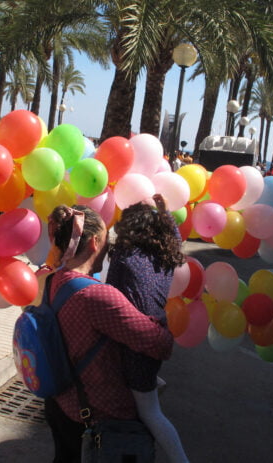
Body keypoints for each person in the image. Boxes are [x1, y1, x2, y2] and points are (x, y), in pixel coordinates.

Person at [43, 205, 174, 463]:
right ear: (94, 243)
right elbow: (160, 345)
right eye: (106, 240)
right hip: (97, 419)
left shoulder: (53, 281)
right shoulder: (97, 295)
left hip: (60, 406)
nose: (109, 247)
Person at [106, 194, 189, 463]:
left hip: (135, 339)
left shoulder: (123, 255)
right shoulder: (164, 253)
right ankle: (152, 384)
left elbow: (111, 295)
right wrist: (164, 212)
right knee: (144, 394)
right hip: (157, 332)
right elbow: (174, 235)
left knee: (150, 413)